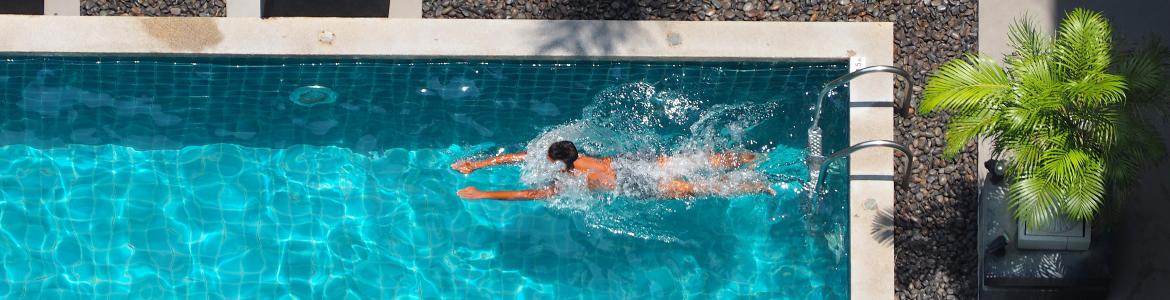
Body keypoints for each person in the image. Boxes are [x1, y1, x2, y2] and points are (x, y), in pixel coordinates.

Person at [451, 140, 774, 201]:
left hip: (633, 186)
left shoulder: (570, 181)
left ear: (557, 162)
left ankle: (759, 186)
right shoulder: (586, 158)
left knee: (698, 189)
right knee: (703, 160)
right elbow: (522, 156)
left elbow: (528, 194)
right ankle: (753, 157)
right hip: (631, 166)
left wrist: (483, 192)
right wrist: (479, 163)